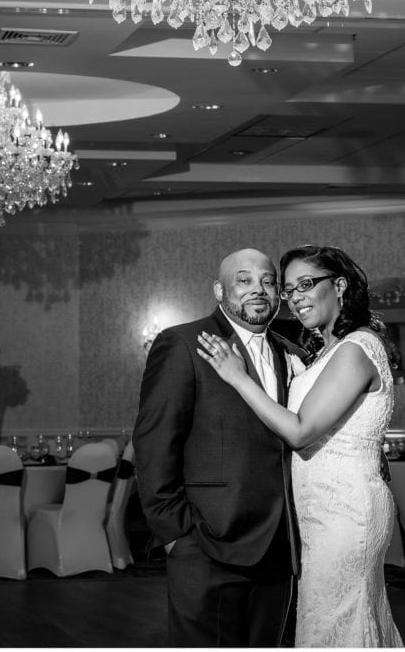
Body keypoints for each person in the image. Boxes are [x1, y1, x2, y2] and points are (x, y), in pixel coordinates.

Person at [197, 244, 404, 648]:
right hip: (320, 513)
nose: (295, 298)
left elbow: (300, 432)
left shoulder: (357, 348)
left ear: (340, 285)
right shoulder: (323, 352)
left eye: (306, 284)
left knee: (338, 623)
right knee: (326, 621)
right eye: (289, 290)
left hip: (346, 513)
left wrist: (238, 377)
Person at [133, 247, 305, 647]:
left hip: (282, 549)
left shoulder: (292, 352)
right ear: (219, 289)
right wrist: (177, 534)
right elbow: (155, 442)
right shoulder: (183, 344)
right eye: (243, 281)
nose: (257, 290)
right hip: (207, 544)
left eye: (267, 281)